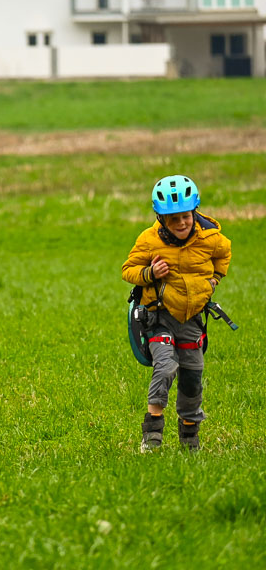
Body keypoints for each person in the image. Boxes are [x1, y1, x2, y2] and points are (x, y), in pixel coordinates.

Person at [122, 175, 232, 452]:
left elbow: (224, 254)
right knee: (166, 366)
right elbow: (128, 270)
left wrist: (215, 278)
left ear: (194, 211)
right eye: (173, 219)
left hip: (192, 319)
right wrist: (150, 273)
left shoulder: (211, 238)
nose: (181, 223)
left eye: (185, 216)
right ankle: (152, 434)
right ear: (161, 218)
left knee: (193, 377)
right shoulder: (148, 240)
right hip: (158, 317)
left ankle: (189, 439)